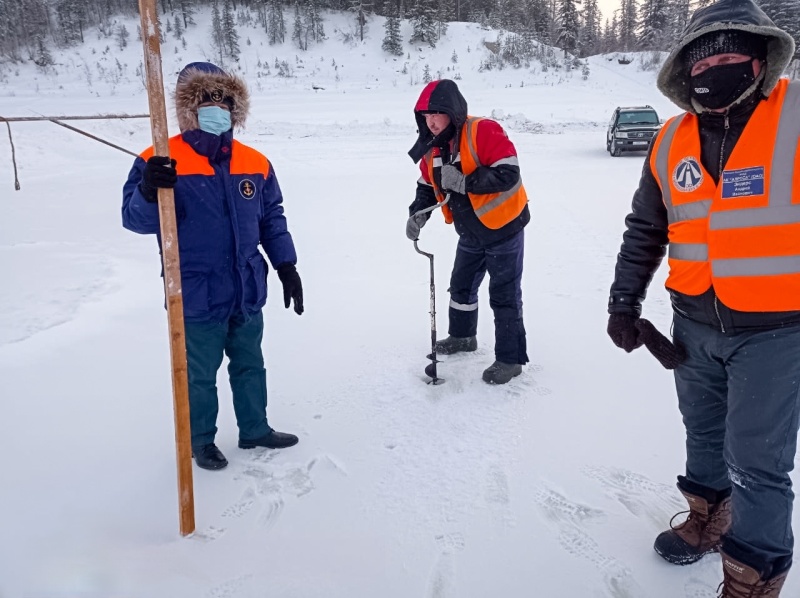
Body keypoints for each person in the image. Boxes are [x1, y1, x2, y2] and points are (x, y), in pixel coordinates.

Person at [607, 0, 798, 594]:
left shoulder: (795, 115)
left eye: (728, 50)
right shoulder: (670, 139)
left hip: (776, 329)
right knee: (703, 433)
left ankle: (754, 576)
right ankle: (710, 517)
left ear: (760, 56)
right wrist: (623, 304)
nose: (713, 63)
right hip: (692, 323)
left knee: (758, 461)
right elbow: (646, 228)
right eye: (700, 55)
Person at [122, 62, 303, 471]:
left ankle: (255, 428)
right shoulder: (159, 159)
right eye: (207, 100)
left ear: (236, 107)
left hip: (246, 288)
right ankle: (201, 441)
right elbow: (134, 219)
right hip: (195, 292)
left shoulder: (254, 162)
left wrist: (286, 266)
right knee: (198, 375)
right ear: (190, 107)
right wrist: (150, 190)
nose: (216, 108)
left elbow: (271, 217)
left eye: (224, 100)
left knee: (250, 365)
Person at [406, 79, 530, 385]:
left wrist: (466, 181)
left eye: (437, 114)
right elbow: (426, 185)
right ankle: (463, 337)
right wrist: (417, 214)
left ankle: (510, 359)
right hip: (470, 232)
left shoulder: (483, 130)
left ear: (454, 112)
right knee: (460, 287)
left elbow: (508, 173)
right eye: (425, 115)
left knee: (503, 296)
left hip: (504, 228)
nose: (431, 121)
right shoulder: (432, 148)